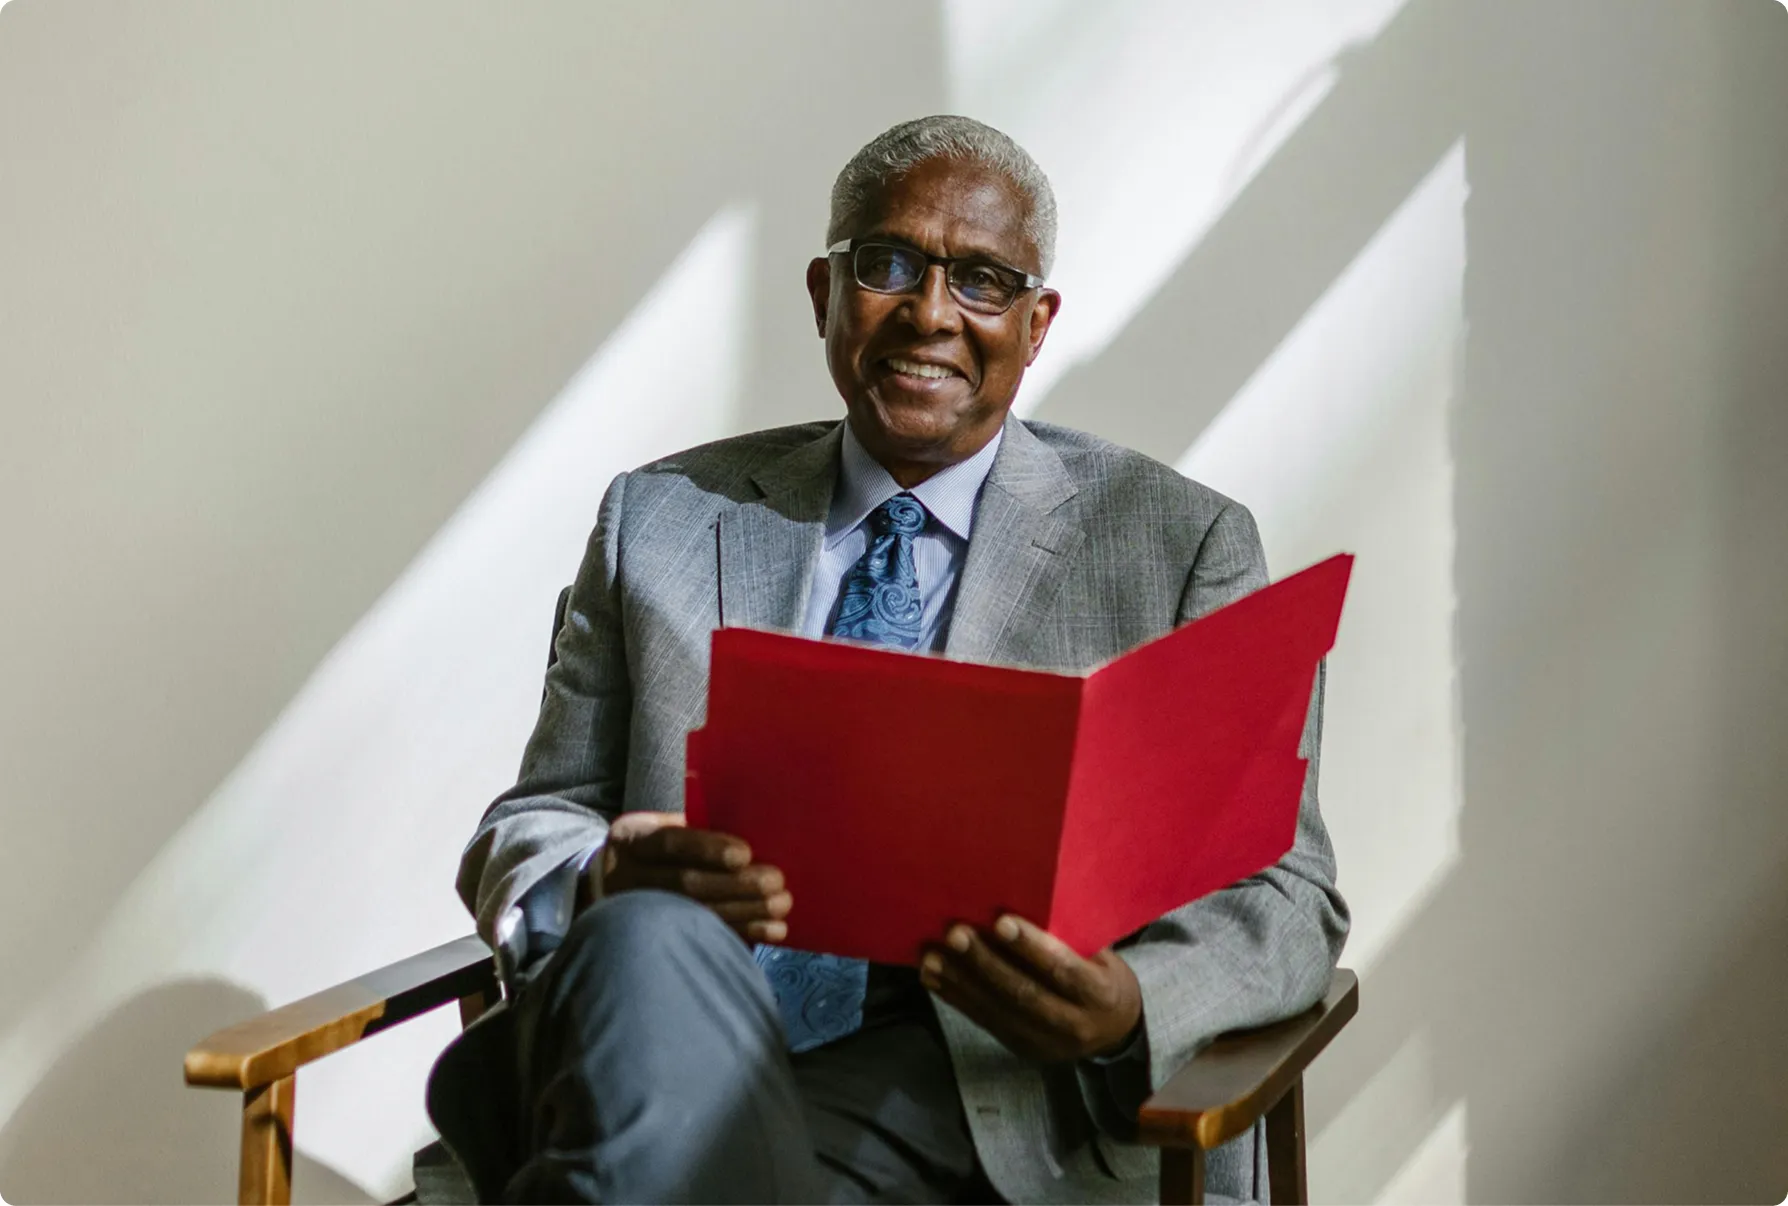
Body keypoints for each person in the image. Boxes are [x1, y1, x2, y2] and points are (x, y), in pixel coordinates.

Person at [427, 115, 1347, 1205]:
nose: (929, 313)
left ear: (1037, 324)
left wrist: (1130, 1004)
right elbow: (533, 817)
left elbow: (1289, 895)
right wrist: (599, 877)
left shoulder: (1176, 548)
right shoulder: (660, 520)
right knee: (641, 934)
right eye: (889, 264)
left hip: (979, 1094)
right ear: (824, 293)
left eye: (984, 281)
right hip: (665, 1032)